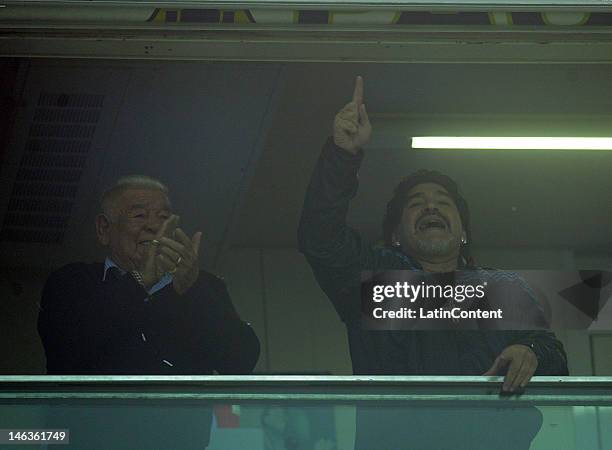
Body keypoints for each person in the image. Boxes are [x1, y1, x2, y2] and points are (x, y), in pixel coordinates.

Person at [298, 76, 568, 450]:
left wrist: (531, 353)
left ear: (463, 234)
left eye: (443, 201)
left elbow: (553, 356)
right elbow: (320, 237)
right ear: (395, 235)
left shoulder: (503, 289)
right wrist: (342, 157)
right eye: (416, 204)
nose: (430, 206)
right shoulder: (375, 279)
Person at [38, 175, 260, 448]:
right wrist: (139, 284)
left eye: (164, 216)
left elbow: (239, 360)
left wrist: (194, 290)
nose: (154, 226)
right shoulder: (72, 282)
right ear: (104, 229)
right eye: (139, 215)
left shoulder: (200, 286)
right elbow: (67, 354)